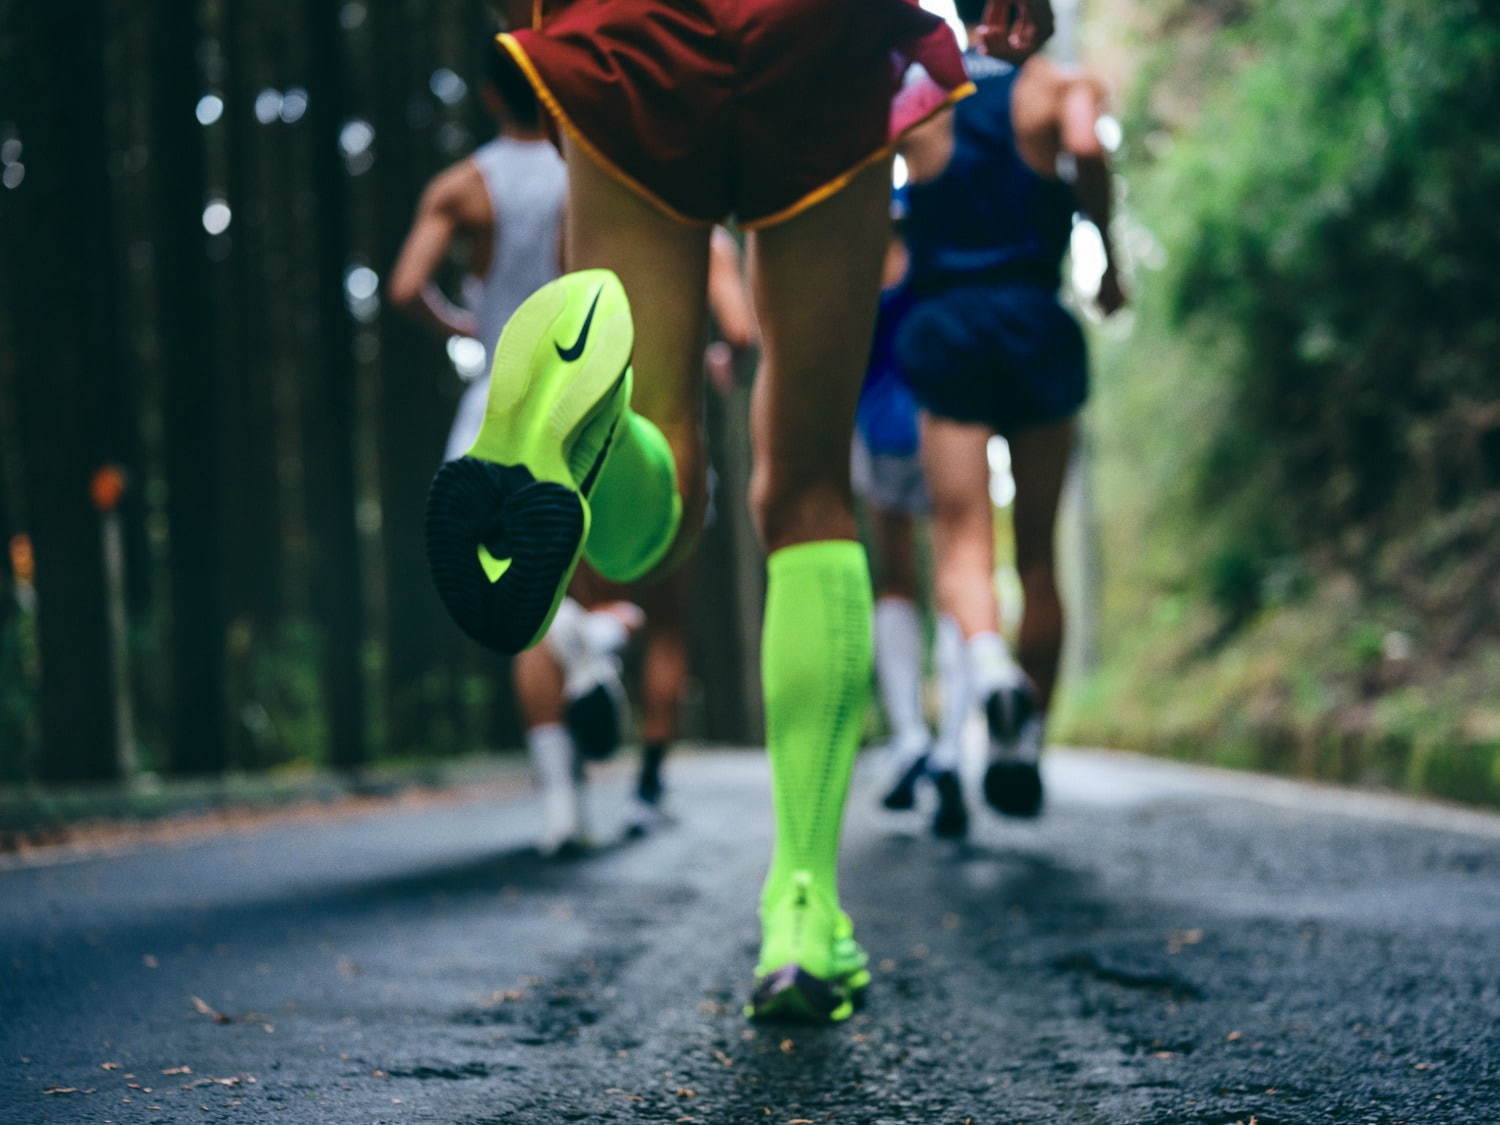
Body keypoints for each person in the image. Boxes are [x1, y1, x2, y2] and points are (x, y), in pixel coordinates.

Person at [423, 0, 1052, 1021]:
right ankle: (803, 911)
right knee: (804, 490)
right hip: (818, 33)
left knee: (663, 462)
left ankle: (584, 439)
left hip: (628, 29)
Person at [896, 0, 1125, 834]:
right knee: (1036, 553)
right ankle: (1021, 751)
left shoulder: (925, 96)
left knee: (960, 536)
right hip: (1034, 321)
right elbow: (1087, 150)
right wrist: (1106, 255)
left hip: (948, 325)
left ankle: (987, 664)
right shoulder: (1060, 87)